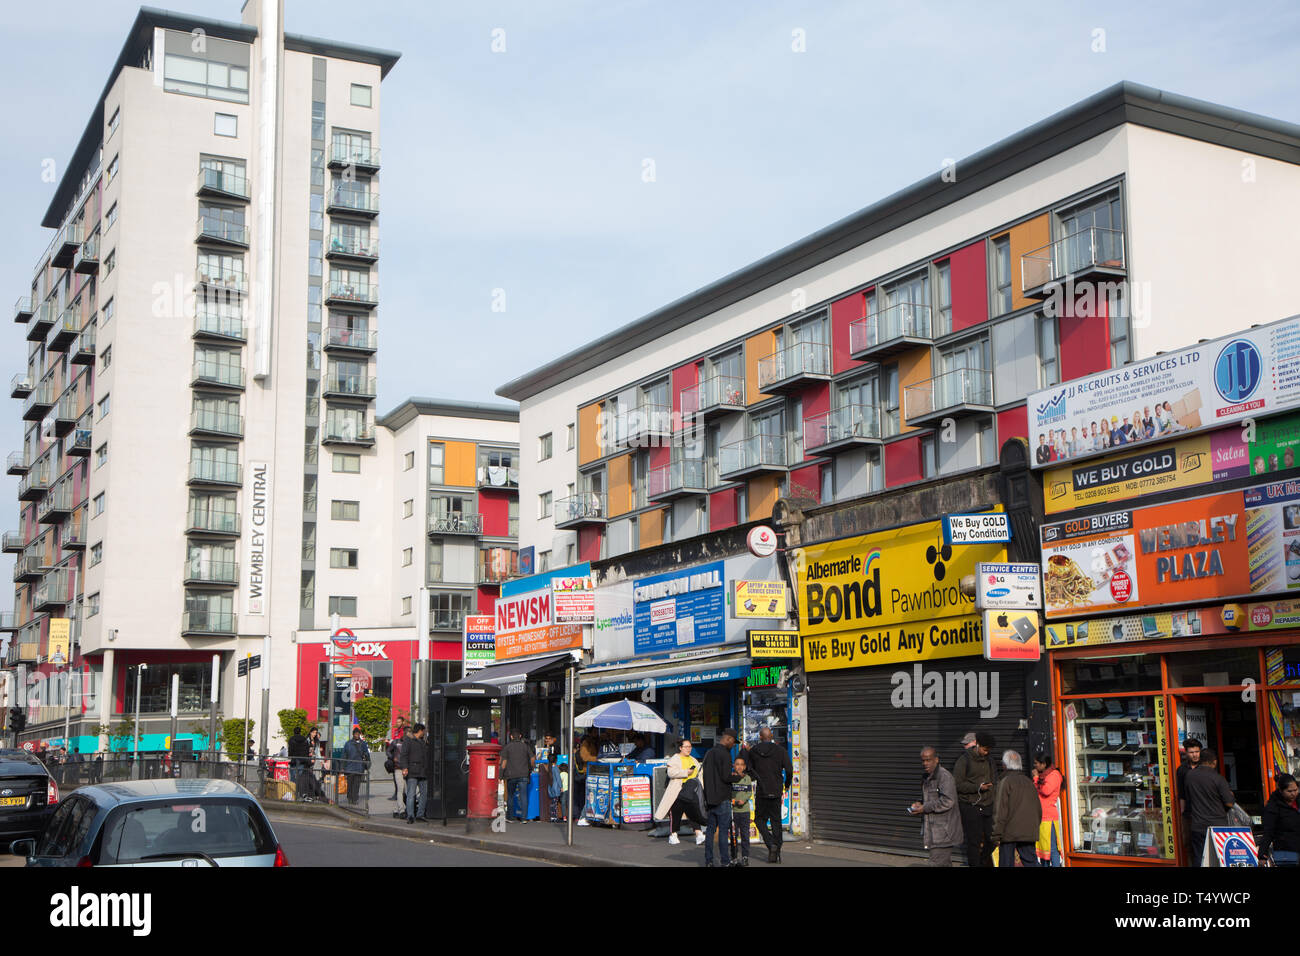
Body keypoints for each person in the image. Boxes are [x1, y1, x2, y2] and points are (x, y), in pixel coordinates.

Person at [744, 726, 793, 863]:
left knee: (760, 819)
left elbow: (749, 769)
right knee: (776, 821)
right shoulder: (780, 751)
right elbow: (789, 770)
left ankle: (770, 843)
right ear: (771, 737)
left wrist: (755, 777)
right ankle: (776, 847)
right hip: (776, 790)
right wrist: (787, 784)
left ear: (760, 737)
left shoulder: (753, 751)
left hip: (762, 791)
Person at [910, 746, 963, 867]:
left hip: (944, 832)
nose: (925, 763)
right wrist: (919, 803)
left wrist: (924, 808)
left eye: (928, 760)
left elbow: (948, 801)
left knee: (936, 863)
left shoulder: (944, 777)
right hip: (935, 832)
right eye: (923, 760)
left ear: (936, 759)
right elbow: (929, 798)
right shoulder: (927, 777)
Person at [1182, 750, 1235, 866]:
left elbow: (1187, 798)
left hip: (1197, 825)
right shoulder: (1218, 778)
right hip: (1218, 826)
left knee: (1200, 859)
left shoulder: (1189, 776)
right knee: (1219, 859)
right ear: (1214, 762)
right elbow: (1229, 803)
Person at [953, 731, 998, 867]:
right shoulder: (964, 760)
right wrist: (977, 787)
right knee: (974, 842)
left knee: (992, 839)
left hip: (987, 805)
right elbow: (957, 784)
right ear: (977, 745)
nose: (986, 752)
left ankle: (981, 861)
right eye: (984, 749)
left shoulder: (990, 761)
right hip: (970, 806)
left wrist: (992, 796)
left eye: (988, 750)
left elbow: (995, 781)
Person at [992, 750, 1041, 868]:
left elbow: (1000, 811)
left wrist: (996, 835)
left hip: (1009, 832)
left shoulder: (1005, 782)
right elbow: (1038, 809)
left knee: (1006, 862)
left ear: (1004, 765)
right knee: (1031, 861)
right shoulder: (1029, 782)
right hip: (1029, 830)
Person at [655, 738, 706, 846]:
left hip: (691, 790)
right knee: (676, 812)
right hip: (679, 789)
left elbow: (700, 773)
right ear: (680, 748)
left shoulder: (693, 759)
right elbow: (671, 773)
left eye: (690, 747)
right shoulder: (675, 759)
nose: (689, 749)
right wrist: (686, 772)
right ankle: (673, 834)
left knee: (694, 812)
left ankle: (699, 834)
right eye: (686, 747)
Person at [701, 728, 741, 867]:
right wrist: (737, 777)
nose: (733, 745)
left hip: (710, 798)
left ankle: (709, 860)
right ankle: (725, 861)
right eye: (733, 743)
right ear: (728, 739)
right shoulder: (725, 754)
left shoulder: (709, 752)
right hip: (723, 798)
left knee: (710, 831)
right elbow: (725, 776)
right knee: (723, 831)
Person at [1260, 773, 1300, 865]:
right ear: (1281, 791)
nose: (1294, 793)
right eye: (1289, 791)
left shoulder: (1298, 802)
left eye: (1295, 790)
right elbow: (1268, 832)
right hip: (1285, 852)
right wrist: (1262, 854)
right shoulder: (1273, 807)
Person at [1032, 751, 1063, 866]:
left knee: (1052, 849)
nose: (1035, 765)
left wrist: (1035, 778)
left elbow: (1046, 790)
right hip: (1040, 816)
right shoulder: (1043, 776)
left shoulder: (1054, 775)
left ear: (1044, 764)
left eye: (1037, 763)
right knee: (1043, 851)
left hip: (1048, 818)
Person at [501, 729, 535, 824]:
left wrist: (500, 775)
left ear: (511, 737)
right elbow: (532, 758)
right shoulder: (525, 746)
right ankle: (524, 818)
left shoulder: (507, 747)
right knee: (523, 796)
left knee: (510, 796)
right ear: (520, 736)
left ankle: (510, 817)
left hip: (511, 775)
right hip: (524, 774)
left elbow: (503, 763)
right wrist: (531, 768)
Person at [1176, 737, 1202, 853]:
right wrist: (1183, 814)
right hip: (1189, 813)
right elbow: (1181, 793)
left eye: (1197, 752)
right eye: (1191, 752)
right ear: (1186, 753)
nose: (1195, 755)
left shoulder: (1204, 767)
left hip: (1204, 811)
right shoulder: (1182, 770)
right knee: (1189, 844)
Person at [398, 722, 428, 823]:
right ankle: (410, 815)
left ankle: (420, 814)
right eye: (423, 731)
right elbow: (404, 755)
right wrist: (404, 767)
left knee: (424, 793)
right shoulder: (408, 740)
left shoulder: (423, 741)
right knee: (411, 794)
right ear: (420, 731)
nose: (424, 733)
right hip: (412, 770)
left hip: (422, 771)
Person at [729, 756, 754, 867]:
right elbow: (728, 793)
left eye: (741, 764)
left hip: (745, 811)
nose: (739, 766)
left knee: (745, 835)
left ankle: (745, 857)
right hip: (733, 811)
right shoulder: (730, 777)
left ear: (744, 767)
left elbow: (749, 792)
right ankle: (734, 857)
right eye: (737, 764)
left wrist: (743, 800)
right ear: (733, 766)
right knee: (734, 835)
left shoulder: (747, 778)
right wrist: (733, 801)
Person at [342, 726, 370, 807]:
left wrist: (367, 763)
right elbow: (344, 755)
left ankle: (354, 798)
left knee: (356, 784)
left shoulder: (363, 744)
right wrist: (343, 766)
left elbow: (367, 754)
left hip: (359, 767)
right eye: (355, 734)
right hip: (350, 767)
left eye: (358, 734)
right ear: (353, 734)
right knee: (350, 783)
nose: (357, 735)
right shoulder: (348, 744)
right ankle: (350, 797)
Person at [287, 724, 310, 794]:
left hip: (294, 760)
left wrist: (290, 756)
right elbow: (307, 750)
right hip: (302, 760)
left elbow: (290, 750)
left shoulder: (291, 739)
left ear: (294, 732)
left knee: (293, 776)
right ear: (300, 732)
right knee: (300, 777)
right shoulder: (305, 740)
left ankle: (292, 791)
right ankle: (300, 792)